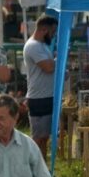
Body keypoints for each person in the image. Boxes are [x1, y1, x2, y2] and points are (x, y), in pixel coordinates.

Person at [24, 14, 58, 158]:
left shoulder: (42, 45)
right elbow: (48, 67)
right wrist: (60, 58)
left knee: (44, 138)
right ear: (44, 30)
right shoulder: (33, 46)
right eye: (53, 32)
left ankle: (42, 169)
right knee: (38, 138)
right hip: (38, 98)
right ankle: (35, 170)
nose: (54, 35)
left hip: (47, 96)